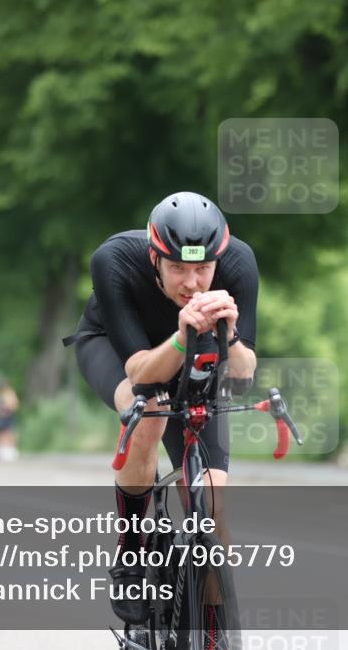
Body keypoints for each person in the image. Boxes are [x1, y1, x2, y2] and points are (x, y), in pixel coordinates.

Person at [68, 191, 258, 626]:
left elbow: (243, 373)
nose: (192, 283)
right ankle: (132, 550)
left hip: (198, 342)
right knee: (149, 410)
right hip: (116, 348)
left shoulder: (239, 263)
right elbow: (139, 373)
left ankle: (214, 631)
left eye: (203, 269)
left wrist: (230, 336)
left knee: (212, 505)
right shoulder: (114, 260)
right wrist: (180, 337)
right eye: (177, 268)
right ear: (154, 257)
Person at [0, 380, 19, 461]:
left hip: (7, 415)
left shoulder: (10, 394)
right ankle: (0, 449)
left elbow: (13, 405)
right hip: (0, 416)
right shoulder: (1, 394)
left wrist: (4, 408)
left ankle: (10, 449)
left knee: (7, 432)